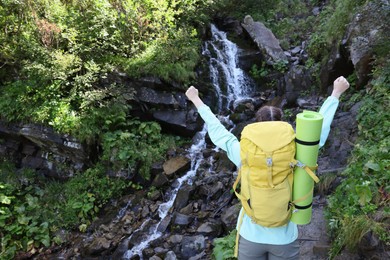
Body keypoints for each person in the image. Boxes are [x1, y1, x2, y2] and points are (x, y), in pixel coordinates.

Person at [185, 76, 350, 260]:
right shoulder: (295, 149)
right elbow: (319, 130)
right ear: (281, 123)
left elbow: (218, 131)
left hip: (249, 235)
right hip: (284, 237)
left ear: (256, 124)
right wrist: (335, 93)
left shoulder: (244, 150)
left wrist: (196, 99)